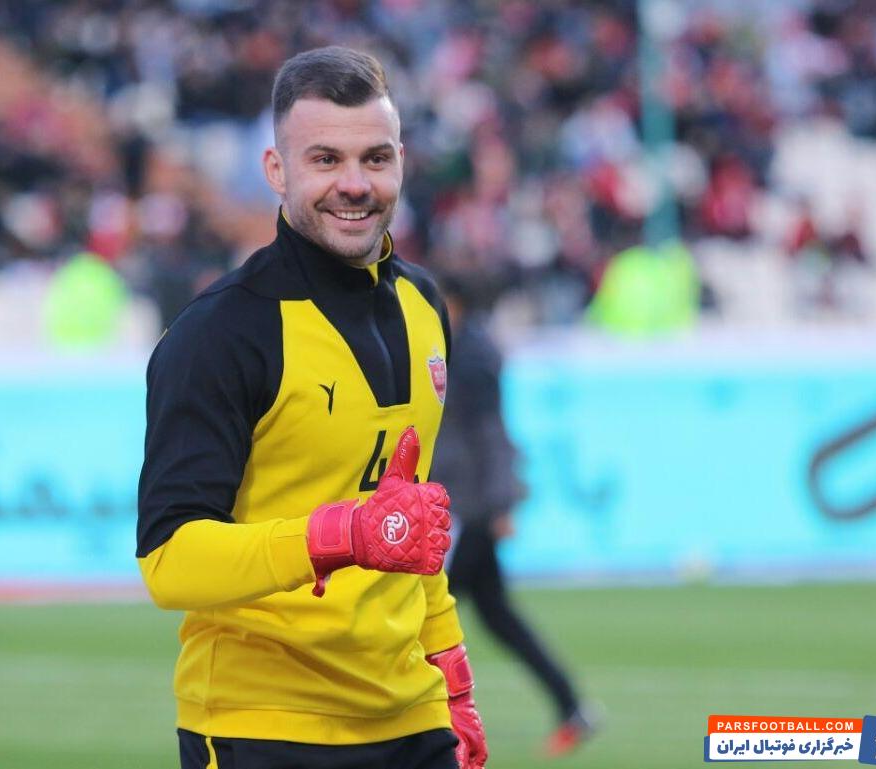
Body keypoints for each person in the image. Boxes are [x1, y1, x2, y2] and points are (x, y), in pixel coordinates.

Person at [136, 47, 487, 769]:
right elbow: (169, 562)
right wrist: (336, 535)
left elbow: (413, 528)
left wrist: (451, 674)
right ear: (277, 170)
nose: (354, 184)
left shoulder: (425, 305)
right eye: (325, 159)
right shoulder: (220, 333)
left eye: (375, 159)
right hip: (262, 725)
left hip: (412, 717)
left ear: (401, 163)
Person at [433, 272, 597, 758]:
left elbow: (490, 434)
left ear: (456, 304)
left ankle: (422, 724)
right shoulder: (462, 351)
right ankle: (572, 707)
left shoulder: (470, 358)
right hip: (466, 504)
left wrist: (500, 505)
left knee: (424, 615)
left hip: (469, 509)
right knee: (497, 616)